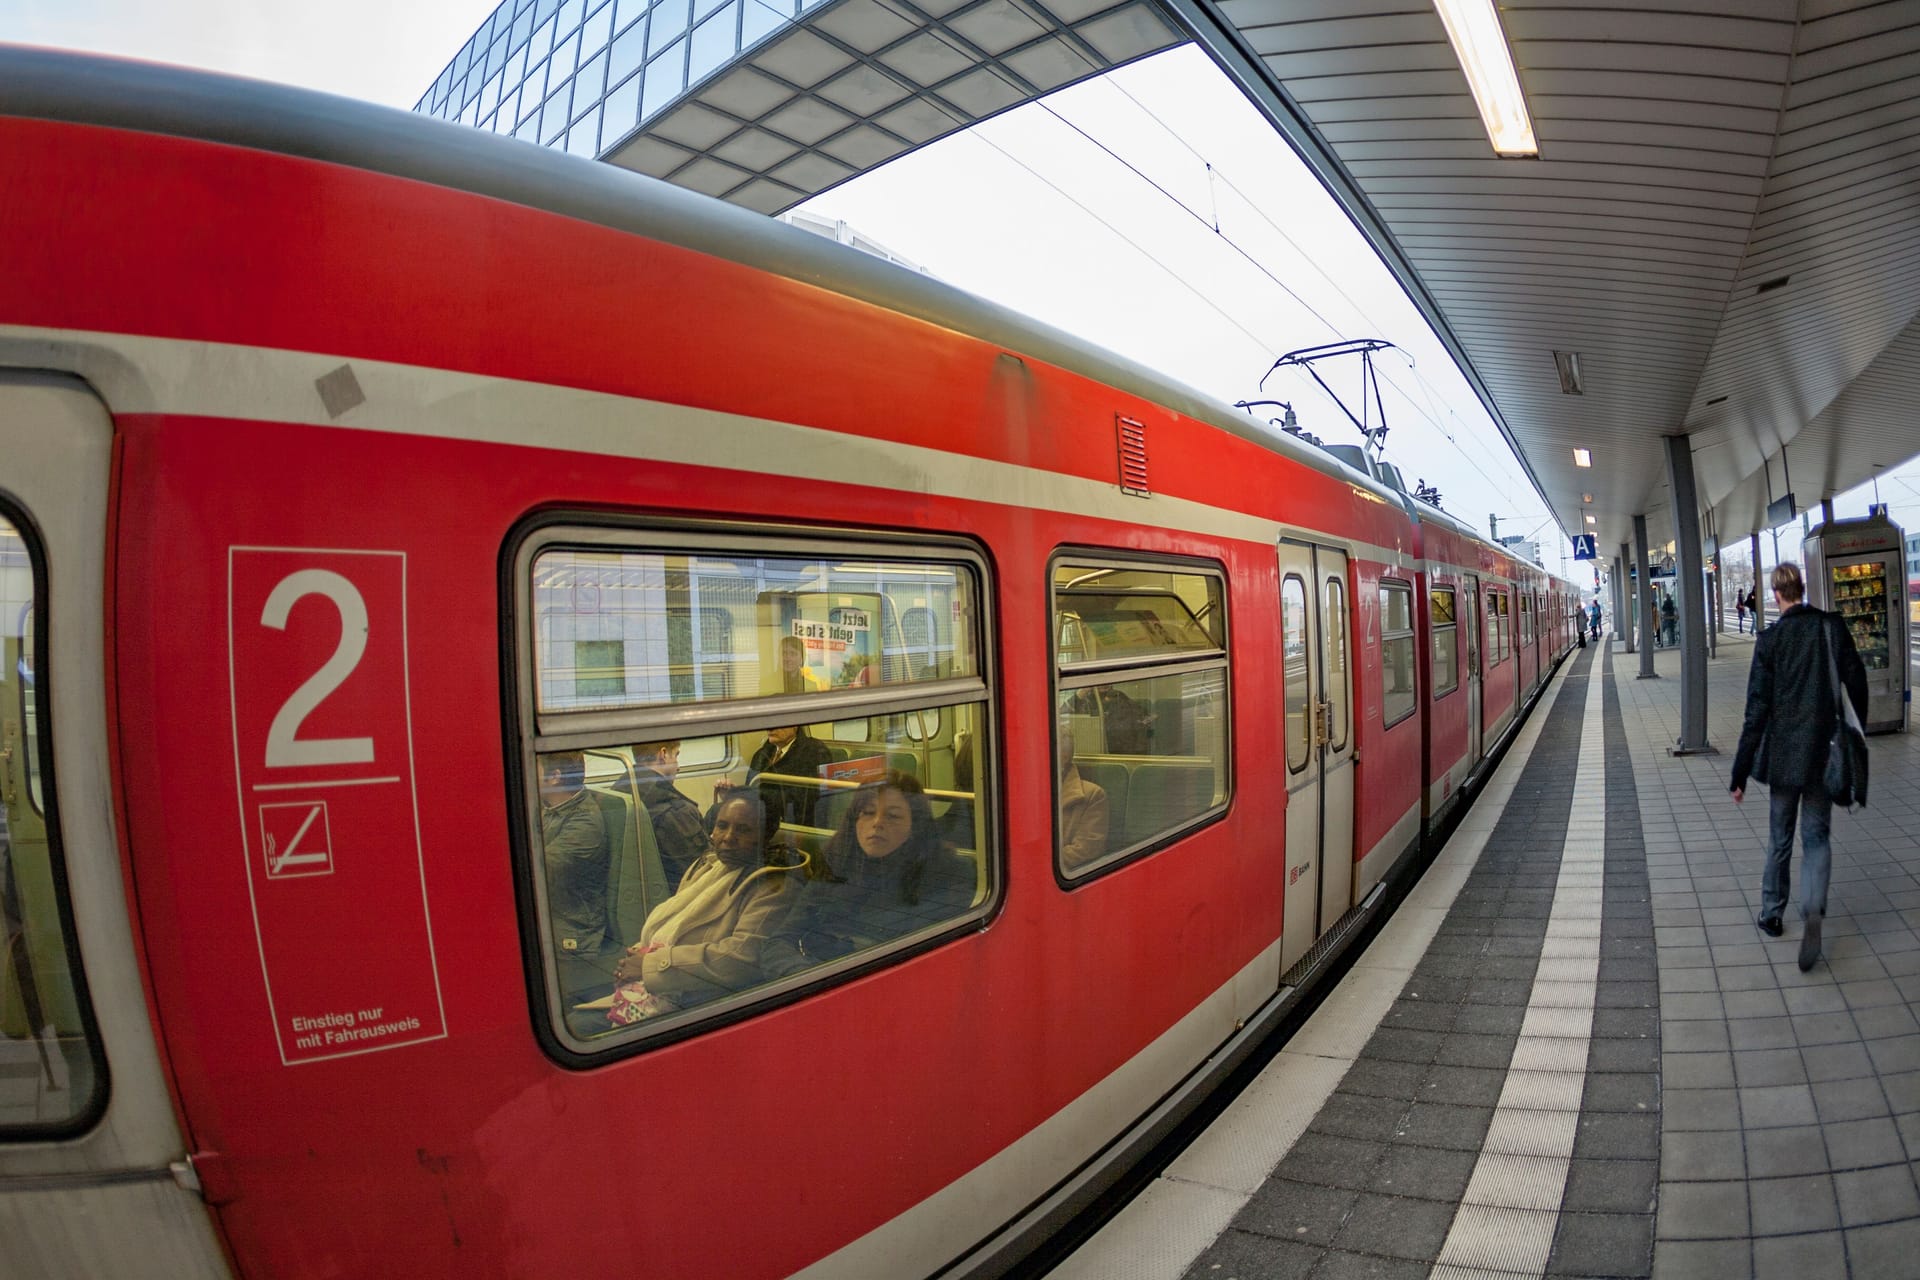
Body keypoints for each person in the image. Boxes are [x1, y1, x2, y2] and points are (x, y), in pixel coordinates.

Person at [1730, 562, 1868, 972]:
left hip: (1784, 759)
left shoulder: (1770, 641)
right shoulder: (1830, 628)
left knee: (1780, 838)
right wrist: (1855, 730)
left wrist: (1739, 773)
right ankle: (1812, 908)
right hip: (1824, 752)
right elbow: (1856, 679)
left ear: (1775, 595)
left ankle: (1772, 913)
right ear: (1803, 589)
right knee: (1817, 836)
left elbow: (1756, 711)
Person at [604, 789, 807, 1022]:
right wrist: (639, 955)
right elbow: (674, 923)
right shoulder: (706, 866)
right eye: (722, 825)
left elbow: (741, 959)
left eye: (744, 830)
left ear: (766, 836)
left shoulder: (774, 886)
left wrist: (650, 965)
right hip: (662, 987)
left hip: (703, 1003)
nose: (728, 837)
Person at [791, 772, 975, 962]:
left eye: (893, 816)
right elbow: (781, 938)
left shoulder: (947, 873)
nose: (877, 823)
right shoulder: (838, 859)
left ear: (915, 825)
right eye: (868, 813)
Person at [536, 750, 614, 995]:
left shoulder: (585, 823)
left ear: (555, 777)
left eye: (535, 767)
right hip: (554, 913)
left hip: (573, 930)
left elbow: (540, 871)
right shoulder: (549, 807)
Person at [628, 740, 706, 889]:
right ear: (663, 755)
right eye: (676, 756)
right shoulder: (674, 812)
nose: (678, 767)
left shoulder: (623, 790)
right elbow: (701, 874)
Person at [724, 722, 833, 828]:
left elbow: (806, 799)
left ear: (795, 724)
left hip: (788, 823)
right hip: (758, 816)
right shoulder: (761, 755)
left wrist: (760, 797)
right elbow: (750, 790)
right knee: (718, 810)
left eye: (777, 721)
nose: (770, 728)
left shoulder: (814, 752)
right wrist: (733, 794)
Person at [1058, 727, 1111, 872]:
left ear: (1064, 758)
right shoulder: (1024, 794)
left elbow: (1086, 849)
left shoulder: (1093, 796)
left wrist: (1037, 861)